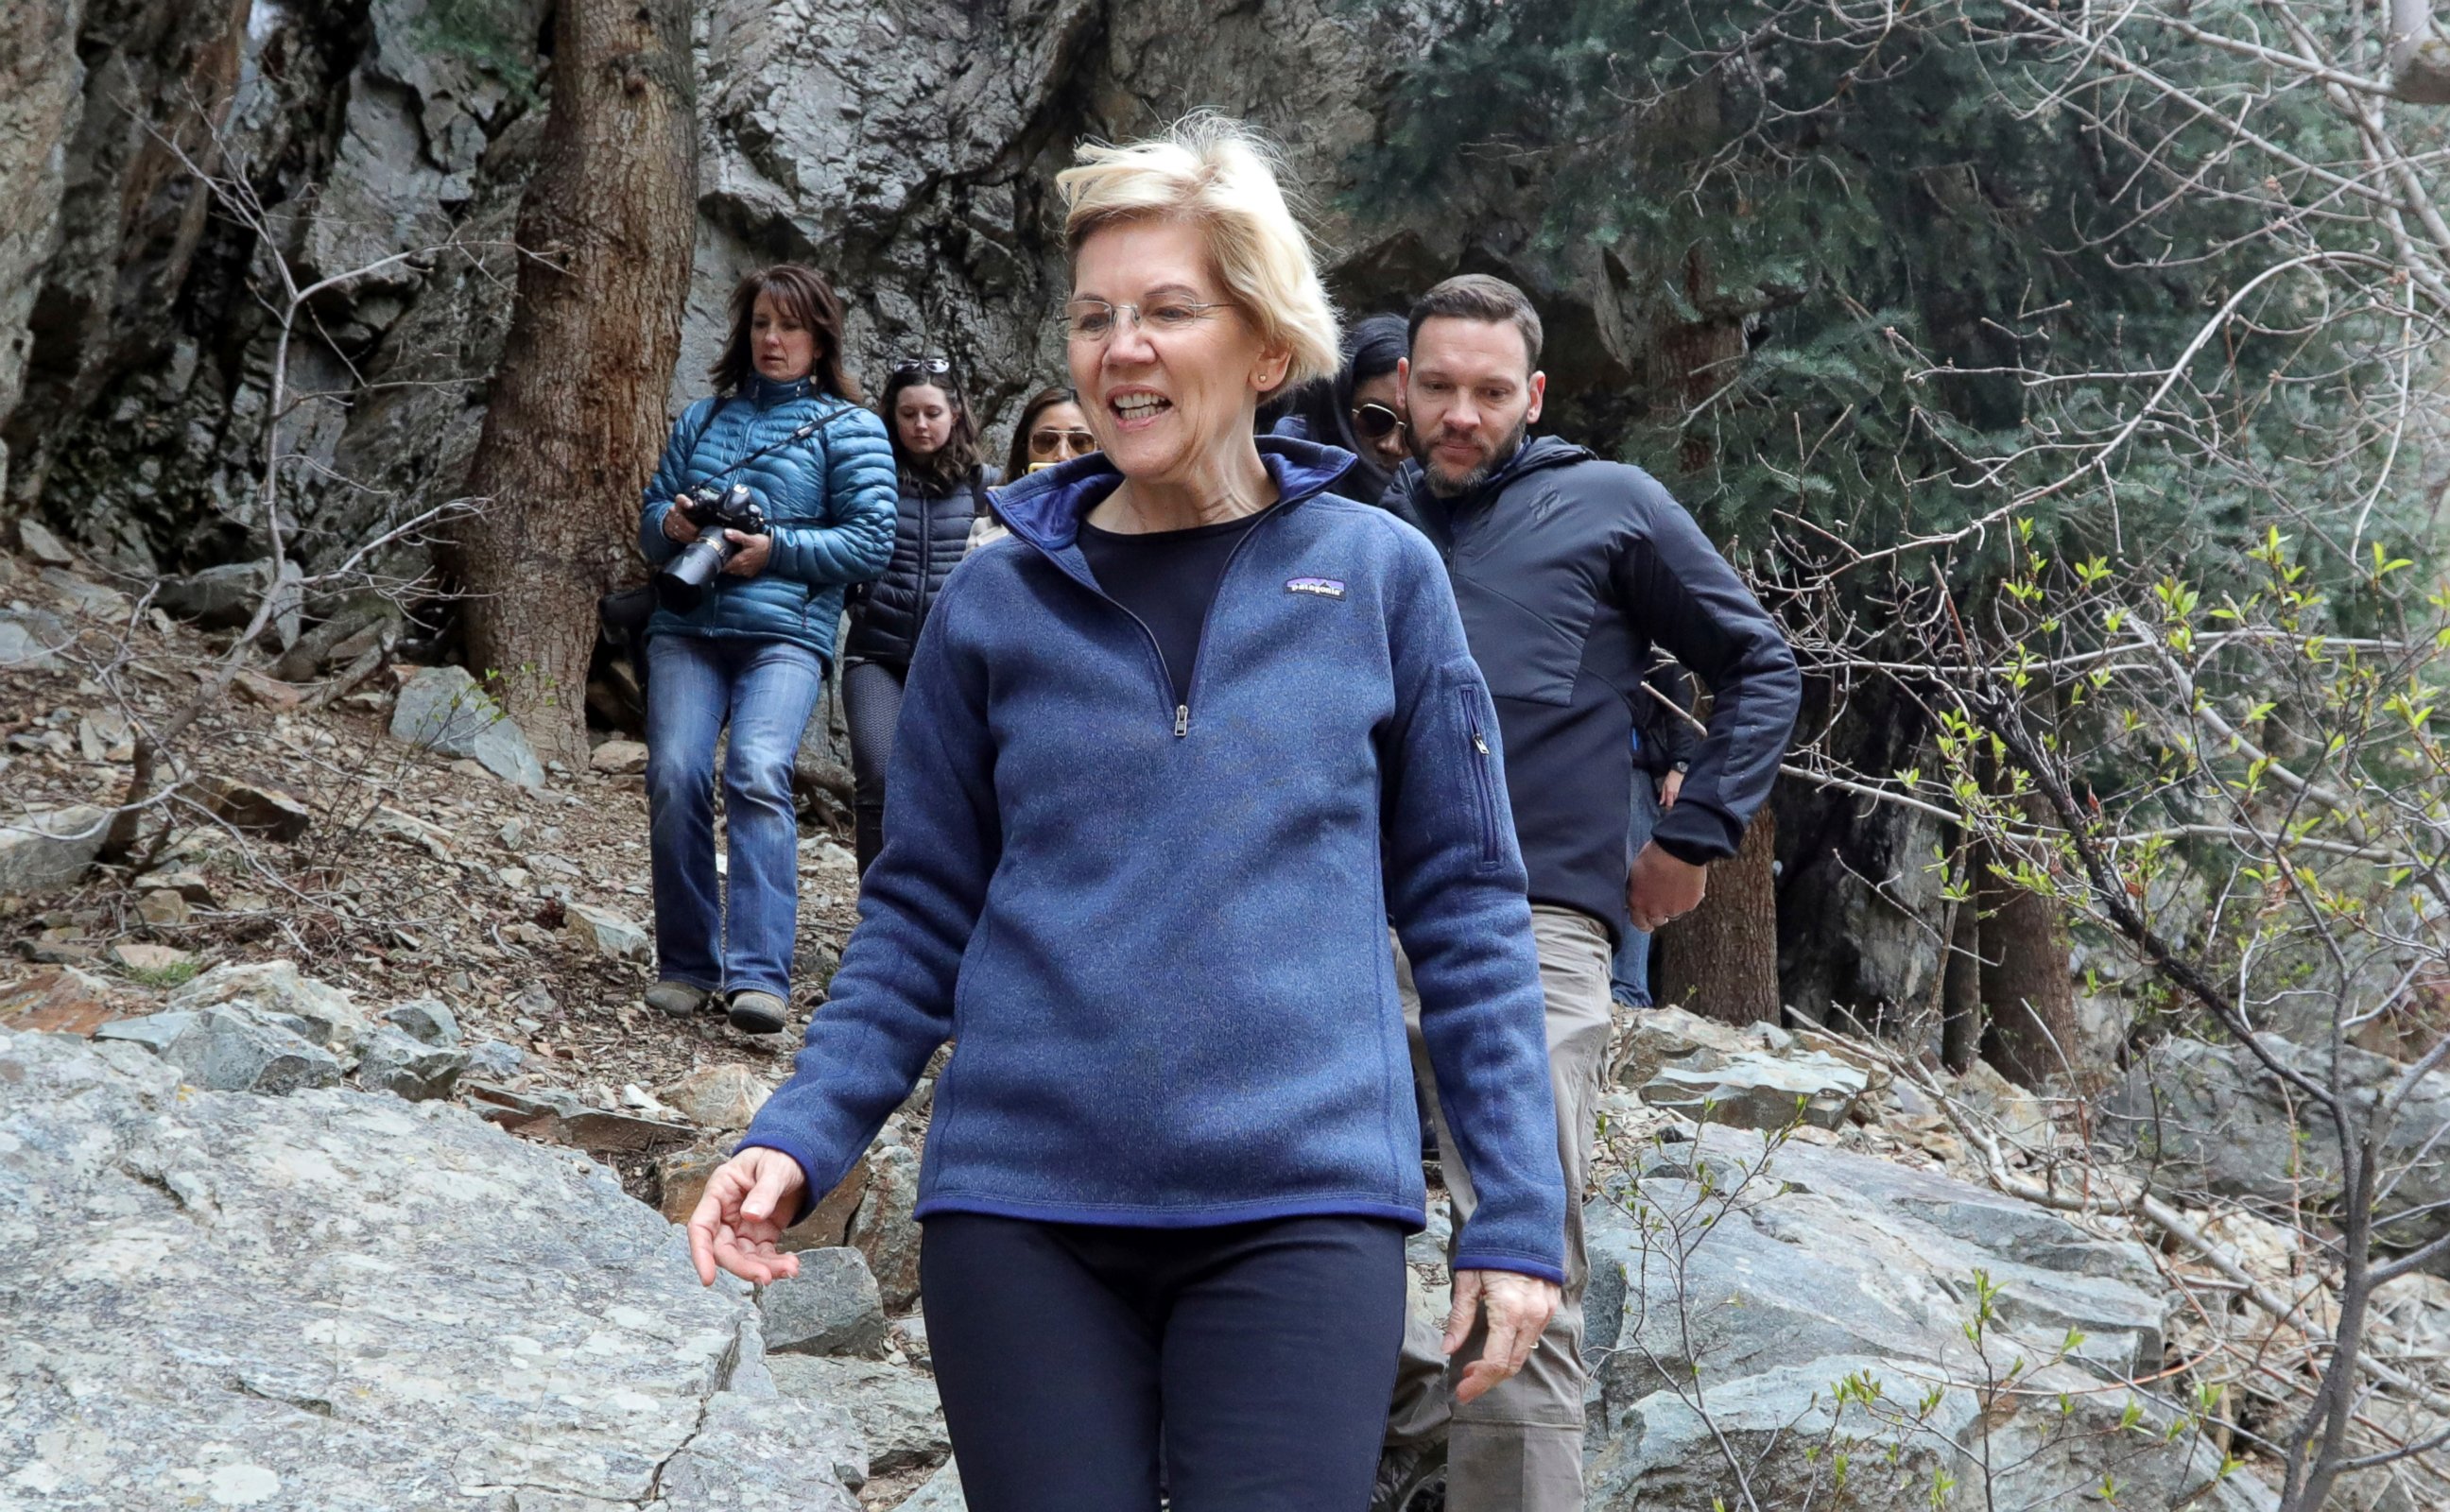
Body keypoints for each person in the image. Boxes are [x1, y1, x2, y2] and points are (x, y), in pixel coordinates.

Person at [685, 118, 1569, 1512]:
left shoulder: (1382, 576)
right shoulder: (991, 600)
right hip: (1022, 1213)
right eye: (1096, 317)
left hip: (1304, 1205)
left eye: (1169, 310)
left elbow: (1465, 915)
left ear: (1266, 347)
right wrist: (798, 1134)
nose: (1122, 347)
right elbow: (919, 916)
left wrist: (1513, 1209)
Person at [1377, 274, 1801, 1512]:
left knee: (1517, 1263)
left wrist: (1698, 834)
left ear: (1535, 395)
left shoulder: (1609, 506)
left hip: (1535, 932)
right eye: (1439, 387)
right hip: (1347, 931)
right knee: (1289, 1242)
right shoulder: (1358, 527)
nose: (1462, 414)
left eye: (1490, 393)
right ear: (1401, 385)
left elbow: (1759, 661)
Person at [635, 265, 897, 1036]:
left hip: (785, 634)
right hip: (687, 628)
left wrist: (772, 549)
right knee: (675, 773)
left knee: (755, 771)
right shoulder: (703, 418)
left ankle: (759, 976)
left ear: (820, 339)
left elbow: (870, 540)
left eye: (789, 326)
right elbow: (653, 517)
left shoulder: (852, 427)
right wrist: (674, 528)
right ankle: (686, 964)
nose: (773, 340)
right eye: (760, 325)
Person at [841, 357, 998, 874]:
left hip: (953, 665)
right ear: (891, 416)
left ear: (955, 413)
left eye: (932, 412)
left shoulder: (986, 487)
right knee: (880, 778)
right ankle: (876, 920)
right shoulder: (867, 478)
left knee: (959, 792)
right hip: (875, 657)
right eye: (908, 414)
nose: (921, 426)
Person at [1612, 656, 1697, 1009]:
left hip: (1637, 767)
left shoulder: (1649, 631)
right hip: (1600, 763)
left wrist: (1680, 764)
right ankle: (1614, 985)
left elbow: (1677, 696)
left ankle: (1628, 990)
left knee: (1635, 876)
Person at [1270, 312, 1412, 503]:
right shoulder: (1279, 473)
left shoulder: (1437, 502)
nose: (1391, 446)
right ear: (1339, 404)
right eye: (1376, 419)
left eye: (1413, 432)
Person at [1003, 384, 1097, 478]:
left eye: (1079, 442)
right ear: (1024, 452)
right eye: (1047, 441)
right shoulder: (995, 492)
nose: (1062, 456)